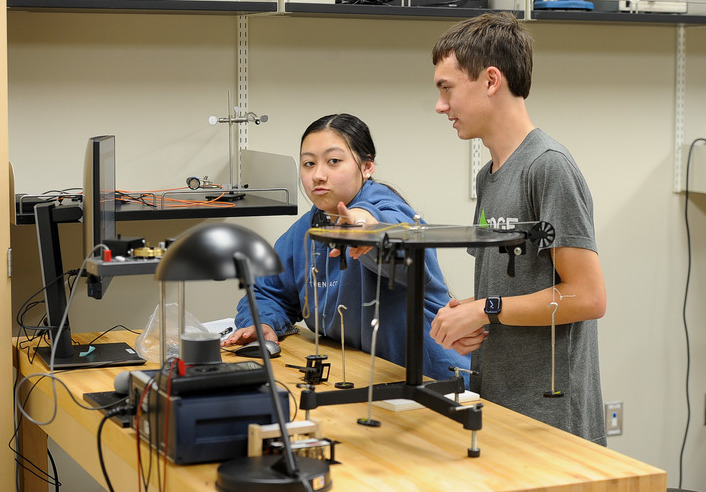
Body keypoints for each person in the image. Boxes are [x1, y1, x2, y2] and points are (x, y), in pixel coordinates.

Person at [429, 12, 608, 445]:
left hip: (551, 421)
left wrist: (487, 308)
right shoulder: (488, 175)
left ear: (491, 80)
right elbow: (513, 287)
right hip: (501, 406)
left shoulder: (548, 167)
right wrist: (468, 312)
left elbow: (588, 296)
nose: (440, 105)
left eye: (446, 88)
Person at [222, 113, 471, 384]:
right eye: (308, 163)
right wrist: (264, 325)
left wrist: (365, 230)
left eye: (334, 161)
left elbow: (391, 235)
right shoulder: (307, 230)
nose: (318, 175)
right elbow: (269, 291)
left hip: (429, 383)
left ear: (366, 167)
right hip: (357, 374)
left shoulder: (390, 210)